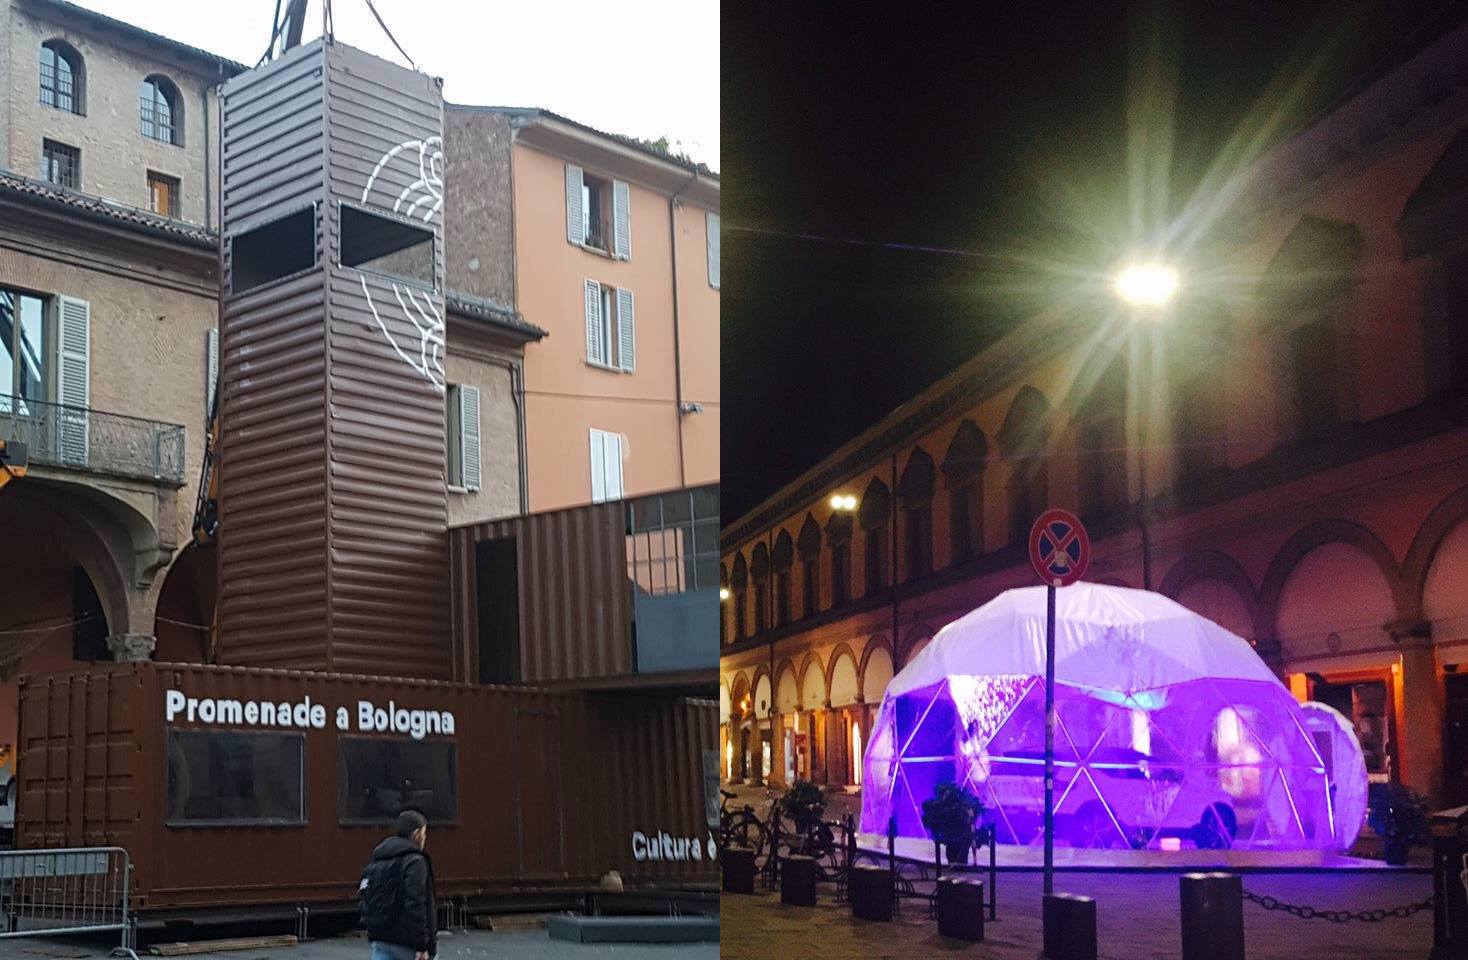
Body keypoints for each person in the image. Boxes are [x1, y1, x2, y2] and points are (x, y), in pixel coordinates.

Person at [359, 810, 437, 960]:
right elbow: (416, 903)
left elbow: (365, 896)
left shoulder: (378, 859)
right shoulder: (415, 861)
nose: (425, 838)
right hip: (407, 943)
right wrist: (422, 945)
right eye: (424, 833)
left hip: (380, 939)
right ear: (416, 833)